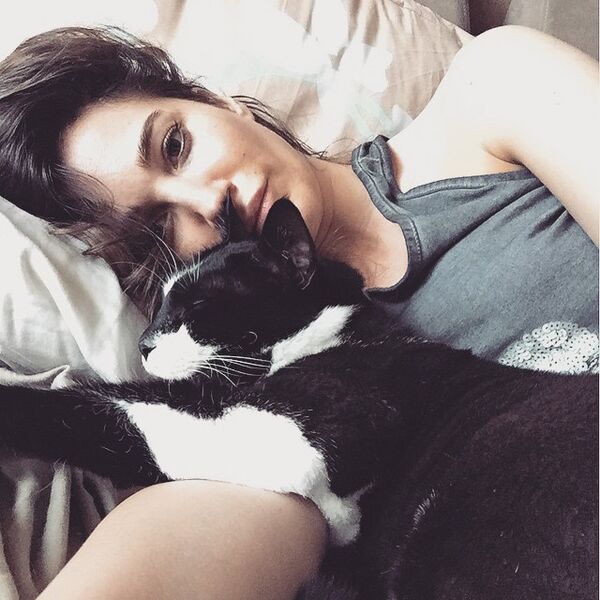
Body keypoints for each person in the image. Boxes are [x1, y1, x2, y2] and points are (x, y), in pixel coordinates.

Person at [0, 23, 597, 600]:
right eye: (159, 223)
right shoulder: (257, 364)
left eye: (174, 146)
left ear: (218, 101)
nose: (205, 199)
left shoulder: (488, 90)